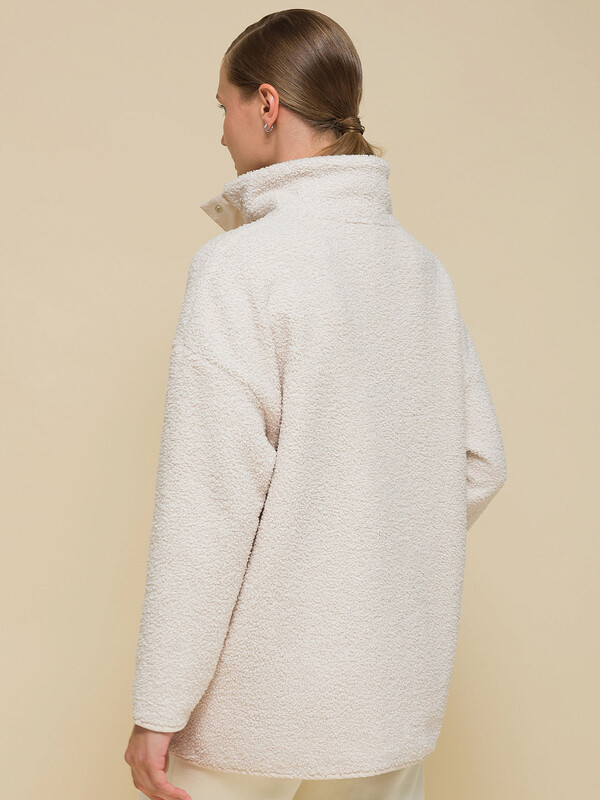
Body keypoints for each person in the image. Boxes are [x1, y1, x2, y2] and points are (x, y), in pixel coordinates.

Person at [124, 9, 507, 800]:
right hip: (391, 693)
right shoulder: (420, 271)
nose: (221, 132)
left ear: (266, 104)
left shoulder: (240, 267)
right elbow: (479, 462)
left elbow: (208, 507)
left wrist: (160, 705)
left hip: (260, 700)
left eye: (224, 106)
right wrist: (367, 550)